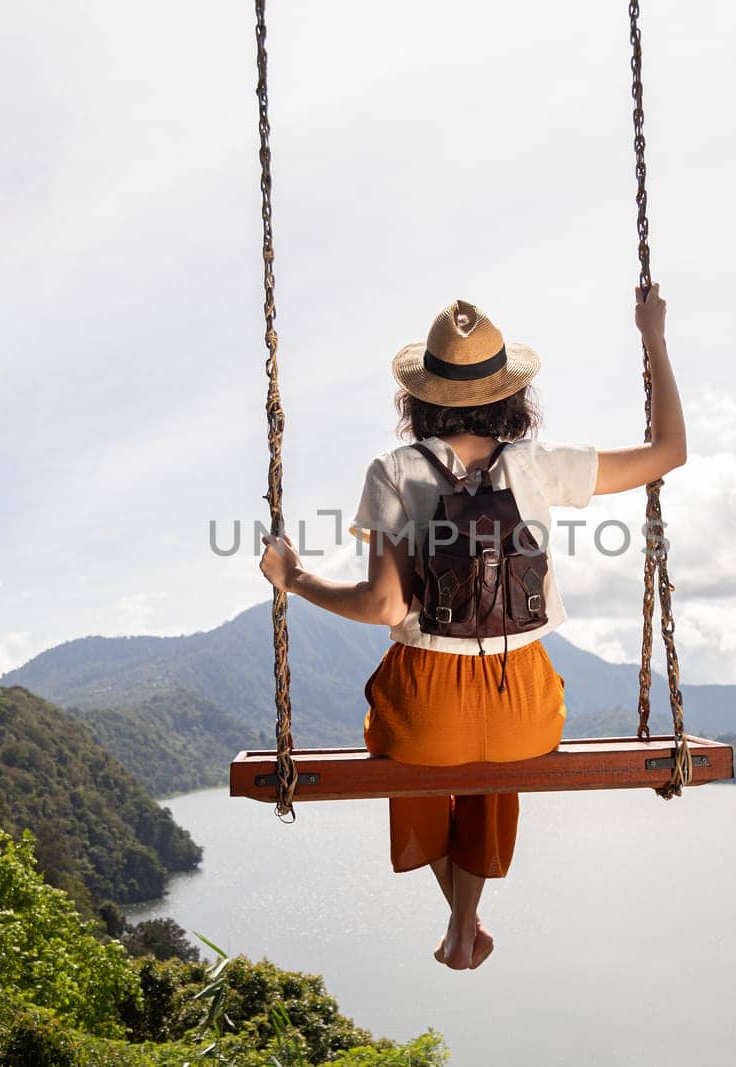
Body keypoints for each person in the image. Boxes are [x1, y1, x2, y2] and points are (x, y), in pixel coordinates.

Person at [258, 285, 685, 970]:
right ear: (510, 394)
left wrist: (295, 577)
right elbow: (669, 451)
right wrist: (653, 335)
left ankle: (461, 919)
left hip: (426, 706)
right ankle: (464, 921)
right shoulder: (540, 465)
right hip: (524, 702)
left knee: (401, 747)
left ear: (420, 397)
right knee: (495, 763)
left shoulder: (395, 469)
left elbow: (384, 608)